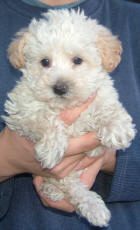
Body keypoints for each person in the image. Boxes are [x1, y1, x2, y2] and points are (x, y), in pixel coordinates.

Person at [0, 0, 139, 229]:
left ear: (103, 56)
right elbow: (22, 117)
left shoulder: (133, 19)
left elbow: (119, 131)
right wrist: (6, 158)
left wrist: (111, 159)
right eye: (45, 62)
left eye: (77, 61)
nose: (60, 82)